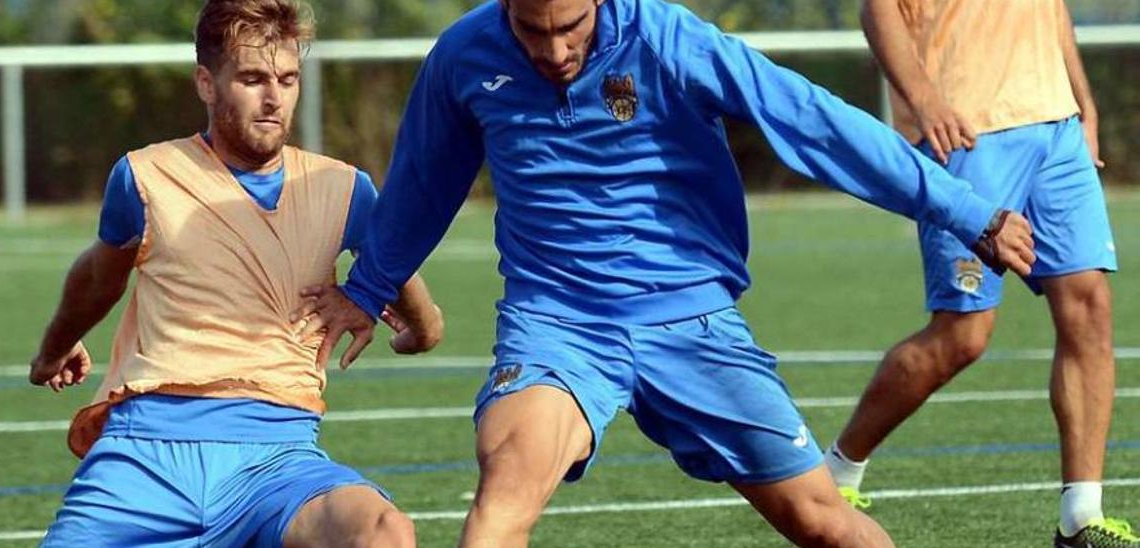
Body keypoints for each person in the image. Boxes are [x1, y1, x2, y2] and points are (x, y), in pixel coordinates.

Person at [292, 0, 1034, 545]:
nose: (551, 51)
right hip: (557, 327)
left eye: (570, 28)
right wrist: (368, 286)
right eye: (531, 30)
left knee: (824, 523)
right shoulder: (465, 57)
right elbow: (424, 181)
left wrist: (969, 214)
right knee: (498, 507)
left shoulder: (672, 41)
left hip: (691, 320)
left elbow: (820, 128)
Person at [27, 1, 442, 546]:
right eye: (252, 79)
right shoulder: (145, 176)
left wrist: (408, 327)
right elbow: (100, 276)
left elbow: (421, 310)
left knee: (384, 531)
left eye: (287, 80)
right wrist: (54, 349)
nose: (274, 99)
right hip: (144, 455)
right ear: (206, 82)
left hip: (279, 463)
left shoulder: (344, 190)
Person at [822, 1, 1131, 546]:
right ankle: (838, 472)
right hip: (968, 131)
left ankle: (1081, 517)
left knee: (1090, 306)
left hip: (1055, 129)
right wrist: (924, 99)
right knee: (963, 335)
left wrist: (1083, 104)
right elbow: (879, 12)